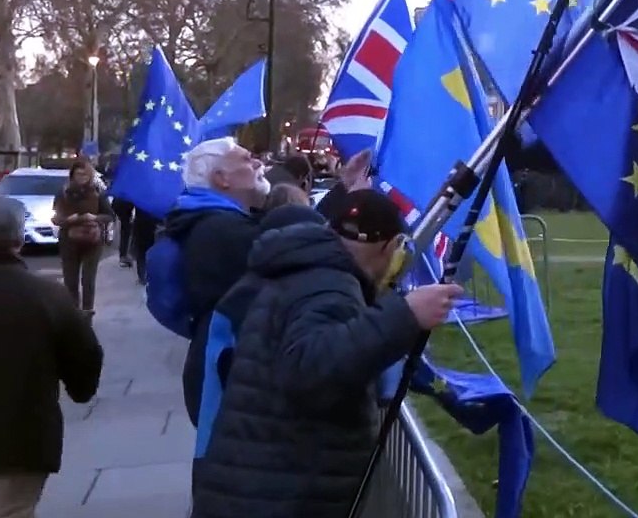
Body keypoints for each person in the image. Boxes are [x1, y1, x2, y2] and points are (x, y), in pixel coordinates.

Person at [190, 190, 463, 518]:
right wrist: (404, 316)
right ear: (389, 248)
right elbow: (310, 368)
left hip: (259, 484)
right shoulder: (329, 286)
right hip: (276, 496)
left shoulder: (307, 270)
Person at [0, 196, 104, 516]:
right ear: (18, 238)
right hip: (18, 441)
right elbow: (85, 355)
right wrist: (82, 388)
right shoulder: (47, 295)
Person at [161, 138, 272, 426]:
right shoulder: (224, 231)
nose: (259, 163)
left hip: (221, 371)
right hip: (234, 380)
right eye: (247, 159)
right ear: (221, 178)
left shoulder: (211, 221)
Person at [51, 161, 114, 317]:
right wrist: (69, 220)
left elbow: (109, 215)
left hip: (92, 240)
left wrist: (95, 217)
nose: (82, 178)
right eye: (78, 174)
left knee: (88, 279)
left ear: (90, 175)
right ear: (72, 175)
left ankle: (87, 313)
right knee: (70, 280)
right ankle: (73, 314)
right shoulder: (63, 192)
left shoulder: (97, 192)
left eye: (85, 174)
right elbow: (56, 218)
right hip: (69, 240)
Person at [111, 195, 135, 268]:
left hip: (119, 205)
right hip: (124, 208)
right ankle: (125, 255)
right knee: (126, 232)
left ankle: (124, 255)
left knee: (125, 231)